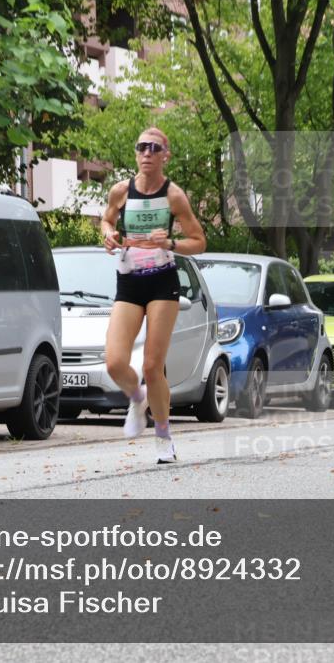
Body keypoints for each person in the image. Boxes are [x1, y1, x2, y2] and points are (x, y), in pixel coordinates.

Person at [100, 127, 207, 464]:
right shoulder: (121, 191)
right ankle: (136, 398)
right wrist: (109, 236)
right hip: (130, 282)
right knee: (115, 362)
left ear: (165, 155)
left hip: (162, 281)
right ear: (136, 154)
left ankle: (163, 434)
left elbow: (198, 241)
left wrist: (170, 244)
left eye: (154, 148)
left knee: (151, 364)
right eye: (141, 147)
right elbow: (105, 221)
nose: (147, 153)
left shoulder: (174, 195)